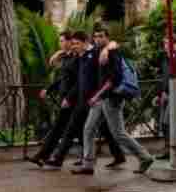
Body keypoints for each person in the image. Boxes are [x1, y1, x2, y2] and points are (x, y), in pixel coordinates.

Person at [74, 27, 155, 175]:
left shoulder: (112, 53)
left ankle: (145, 157)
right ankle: (88, 165)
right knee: (88, 129)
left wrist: (96, 96)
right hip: (102, 98)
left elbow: (113, 80)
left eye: (101, 36)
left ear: (107, 38)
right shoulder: (100, 52)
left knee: (118, 133)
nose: (98, 39)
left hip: (112, 98)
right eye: (96, 36)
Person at [43, 31, 125, 169]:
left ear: (86, 42)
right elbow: (79, 81)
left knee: (108, 131)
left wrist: (107, 48)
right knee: (75, 129)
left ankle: (135, 156)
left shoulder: (96, 52)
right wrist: (59, 53)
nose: (74, 46)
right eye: (73, 43)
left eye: (76, 43)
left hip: (95, 99)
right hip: (83, 100)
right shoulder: (81, 56)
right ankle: (60, 159)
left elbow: (114, 45)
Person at [28, 33, 79, 167]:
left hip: (72, 99)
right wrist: (48, 89)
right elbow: (62, 78)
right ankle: (51, 158)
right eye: (60, 41)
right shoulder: (68, 57)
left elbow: (79, 81)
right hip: (65, 98)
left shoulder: (78, 58)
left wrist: (69, 98)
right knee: (70, 130)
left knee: (61, 129)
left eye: (62, 41)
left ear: (70, 42)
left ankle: (44, 156)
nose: (60, 43)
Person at [154, 36, 176, 161]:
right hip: (168, 93)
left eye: (170, 44)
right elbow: (164, 78)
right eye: (165, 44)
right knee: (166, 123)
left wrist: (167, 94)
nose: (167, 46)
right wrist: (161, 94)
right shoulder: (165, 59)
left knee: (167, 122)